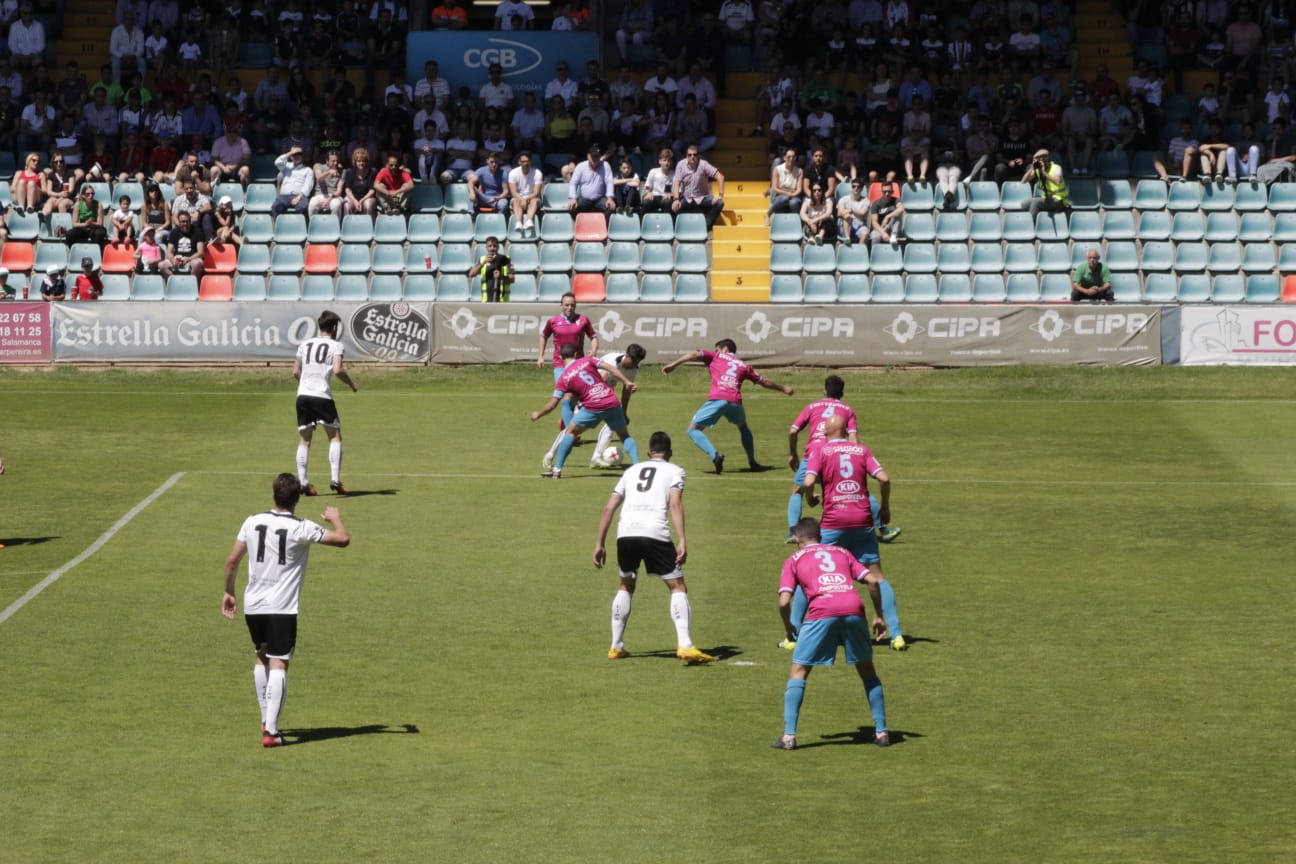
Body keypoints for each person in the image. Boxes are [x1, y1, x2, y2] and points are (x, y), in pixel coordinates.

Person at [221, 472, 351, 748]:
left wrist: (229, 592)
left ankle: (265, 719)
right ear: (297, 498)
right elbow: (342, 539)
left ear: (274, 495)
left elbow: (231, 562)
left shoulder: (252, 521)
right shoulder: (300, 527)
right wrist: (334, 517)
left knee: (261, 656)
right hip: (281, 607)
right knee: (279, 662)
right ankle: (272, 731)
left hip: (253, 605)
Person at [592, 430, 714, 664]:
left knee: (626, 585)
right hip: (654, 533)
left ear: (649, 452)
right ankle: (685, 645)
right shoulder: (675, 470)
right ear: (670, 453)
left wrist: (599, 543)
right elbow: (675, 504)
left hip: (625, 533)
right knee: (677, 586)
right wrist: (682, 539)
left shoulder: (630, 471)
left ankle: (616, 646)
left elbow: (608, 508)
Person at [771, 516, 891, 751]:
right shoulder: (841, 553)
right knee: (867, 670)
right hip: (853, 608)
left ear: (797, 538)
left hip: (821, 612)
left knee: (799, 670)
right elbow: (873, 581)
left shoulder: (793, 559)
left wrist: (788, 629)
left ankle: (788, 737)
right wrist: (879, 616)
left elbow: (784, 602)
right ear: (820, 536)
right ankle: (882, 731)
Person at [795, 414, 905, 650]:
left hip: (834, 522)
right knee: (877, 576)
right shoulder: (861, 450)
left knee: (813, 573)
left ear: (826, 432)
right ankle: (896, 634)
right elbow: (884, 479)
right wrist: (884, 509)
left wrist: (811, 496)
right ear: (846, 431)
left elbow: (807, 481)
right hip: (862, 520)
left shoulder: (820, 451)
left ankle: (793, 634)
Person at [661, 338, 794, 474]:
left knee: (692, 430)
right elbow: (763, 381)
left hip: (718, 398)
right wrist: (783, 388)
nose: (715, 351)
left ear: (724, 348)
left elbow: (695, 354)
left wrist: (673, 365)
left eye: (717, 348)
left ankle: (715, 455)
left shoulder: (717, 356)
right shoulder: (743, 365)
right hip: (735, 401)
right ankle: (752, 462)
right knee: (743, 427)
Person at [530, 343, 640, 480]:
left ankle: (557, 470)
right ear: (576, 355)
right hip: (611, 400)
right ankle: (638, 467)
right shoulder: (588, 359)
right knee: (624, 436)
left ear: (560, 357)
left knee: (570, 432)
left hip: (593, 405)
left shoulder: (563, 379)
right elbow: (610, 367)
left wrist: (538, 414)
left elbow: (553, 404)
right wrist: (626, 382)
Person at [294, 310, 358, 497]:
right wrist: (352, 384)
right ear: (334, 327)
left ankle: (303, 482)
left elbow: (295, 371)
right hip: (322, 396)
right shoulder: (336, 346)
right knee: (334, 437)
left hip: (303, 396)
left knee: (304, 440)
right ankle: (335, 479)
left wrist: (305, 385)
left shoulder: (304, 344)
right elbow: (338, 370)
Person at [537, 291, 598, 433]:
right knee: (566, 396)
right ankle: (571, 433)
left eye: (572, 305)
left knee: (579, 398)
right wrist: (540, 356)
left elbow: (593, 336)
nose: (570, 308)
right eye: (566, 305)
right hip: (560, 365)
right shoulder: (553, 321)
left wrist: (593, 350)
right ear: (561, 306)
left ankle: (566, 423)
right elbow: (543, 336)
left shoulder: (583, 320)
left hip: (580, 364)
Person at [670, 144, 725, 230]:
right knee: (673, 206)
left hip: (702, 198)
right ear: (686, 156)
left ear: (698, 156)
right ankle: (679, 230)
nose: (692, 157)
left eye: (695, 155)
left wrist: (720, 195)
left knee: (719, 203)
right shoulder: (681, 165)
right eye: (690, 155)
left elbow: (720, 176)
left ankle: (705, 228)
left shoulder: (703, 164)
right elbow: (676, 183)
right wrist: (676, 199)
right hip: (687, 199)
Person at [1021, 147, 1069, 222]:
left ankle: (1030, 226)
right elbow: (1023, 181)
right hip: (1047, 199)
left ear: (1046, 159)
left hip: (1059, 200)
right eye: (1038, 161)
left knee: (1035, 203)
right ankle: (1038, 220)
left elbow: (1057, 182)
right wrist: (1032, 168)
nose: (1041, 163)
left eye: (1042, 160)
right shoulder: (1037, 170)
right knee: (1024, 204)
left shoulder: (1057, 168)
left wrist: (1044, 172)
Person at [567, 144, 616, 215]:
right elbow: (573, 183)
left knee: (610, 208)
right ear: (588, 156)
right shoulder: (580, 166)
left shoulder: (605, 165)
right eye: (592, 156)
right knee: (572, 208)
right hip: (584, 199)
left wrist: (610, 198)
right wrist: (573, 198)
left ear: (600, 156)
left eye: (597, 156)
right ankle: (577, 225)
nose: (594, 158)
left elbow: (609, 183)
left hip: (600, 199)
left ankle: (605, 226)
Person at [271, 145, 314, 217]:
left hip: (300, 196)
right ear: (291, 156)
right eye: (294, 154)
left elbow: (308, 186)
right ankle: (280, 227)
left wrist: (298, 198)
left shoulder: (308, 170)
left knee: (302, 207)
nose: (297, 156)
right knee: (275, 207)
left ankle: (298, 227)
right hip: (284, 196)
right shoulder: (286, 166)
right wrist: (290, 152)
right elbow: (277, 162)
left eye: (299, 154)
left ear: (302, 156)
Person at [507, 151, 544, 237]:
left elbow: (536, 192)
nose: (525, 163)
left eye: (527, 161)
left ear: (530, 161)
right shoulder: (513, 173)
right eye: (523, 161)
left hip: (532, 198)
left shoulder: (537, 173)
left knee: (534, 201)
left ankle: (530, 221)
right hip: (519, 198)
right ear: (519, 162)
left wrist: (526, 199)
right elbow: (513, 192)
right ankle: (519, 222)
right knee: (515, 201)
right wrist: (522, 199)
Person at [468, 235, 513, 302]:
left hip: (502, 301)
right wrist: (483, 263)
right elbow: (471, 274)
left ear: (498, 247)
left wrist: (501, 276)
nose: (492, 248)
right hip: (486, 301)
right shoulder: (482, 259)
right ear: (486, 247)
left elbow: (511, 280)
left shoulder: (506, 259)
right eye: (489, 246)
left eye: (495, 246)